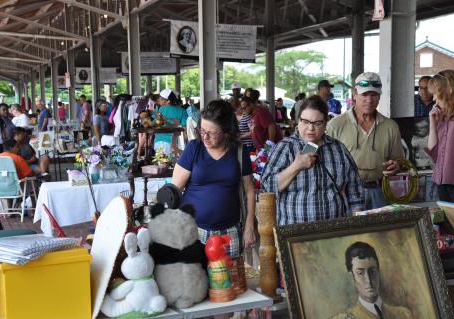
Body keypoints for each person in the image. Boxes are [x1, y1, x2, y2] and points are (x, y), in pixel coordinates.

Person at [261, 96, 364, 225]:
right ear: (298, 122)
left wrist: (358, 223)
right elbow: (266, 187)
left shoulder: (338, 149)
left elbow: (355, 191)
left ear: (326, 124)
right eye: (305, 121)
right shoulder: (285, 147)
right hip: (294, 236)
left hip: (333, 232)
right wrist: (296, 166)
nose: (310, 128)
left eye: (317, 123)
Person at [172, 100, 256, 258]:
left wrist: (249, 226)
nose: (205, 137)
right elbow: (174, 190)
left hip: (229, 231)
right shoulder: (194, 148)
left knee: (230, 281)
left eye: (212, 133)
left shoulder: (239, 151)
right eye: (202, 130)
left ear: (226, 131)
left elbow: (249, 191)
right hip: (193, 230)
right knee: (196, 280)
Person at [327, 72, 404, 209]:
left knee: (380, 230)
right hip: (346, 193)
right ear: (354, 94)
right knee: (349, 231)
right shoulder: (335, 124)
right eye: (364, 94)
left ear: (379, 97)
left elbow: (399, 161)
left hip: (380, 192)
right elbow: (323, 159)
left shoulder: (390, 126)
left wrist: (396, 166)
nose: (369, 99)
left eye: (374, 95)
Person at [333, 242, 412, 319]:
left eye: (372, 271)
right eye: (360, 273)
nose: (368, 280)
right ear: (352, 277)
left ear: (378, 272)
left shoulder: (404, 315)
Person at [425, 70, 454, 202]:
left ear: (449, 91)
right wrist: (432, 124)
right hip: (441, 182)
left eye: (436, 93)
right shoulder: (441, 118)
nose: (434, 99)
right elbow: (434, 155)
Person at [153, 88, 187, 156]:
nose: (159, 100)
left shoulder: (161, 109)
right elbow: (184, 128)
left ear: (168, 101)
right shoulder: (182, 111)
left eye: (161, 98)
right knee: (173, 165)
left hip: (159, 142)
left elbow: (154, 123)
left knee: (162, 165)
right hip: (175, 144)